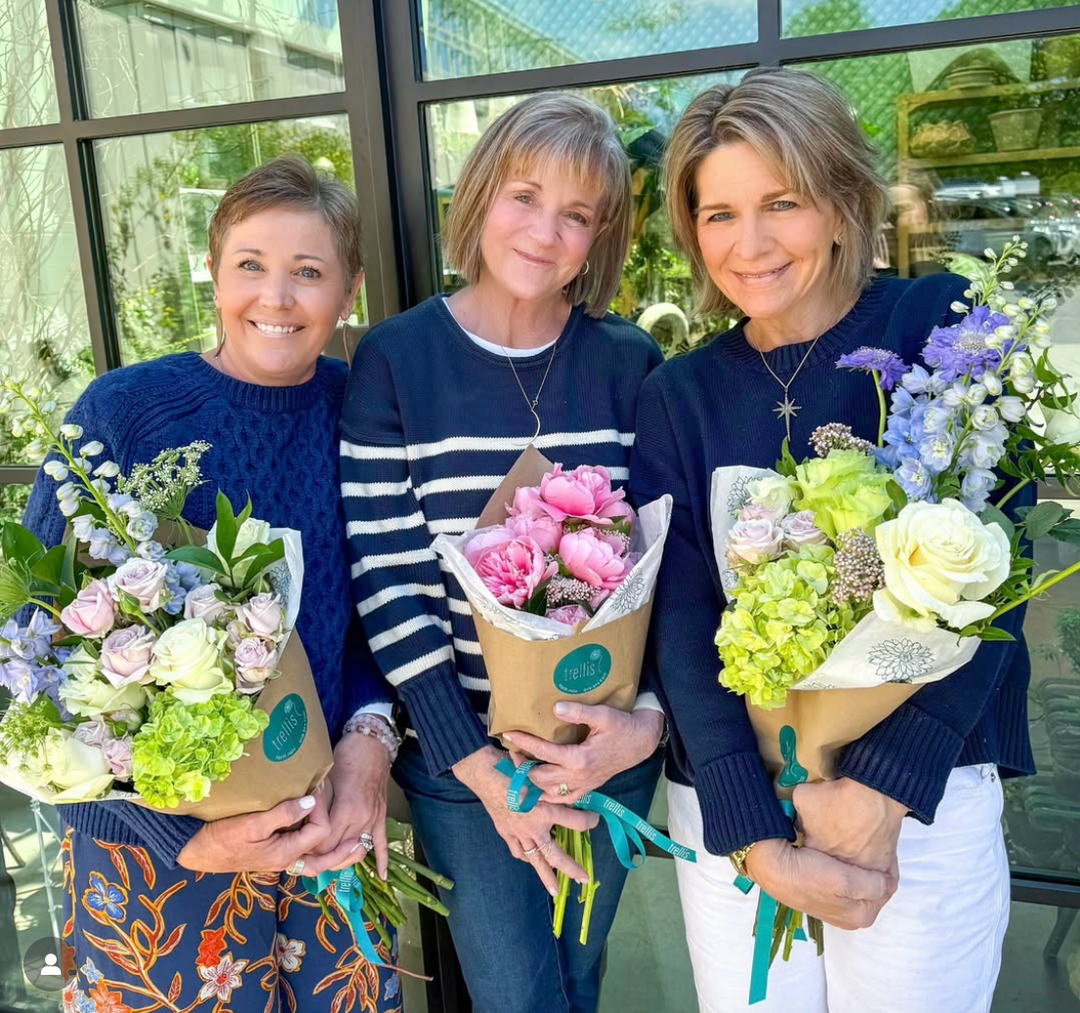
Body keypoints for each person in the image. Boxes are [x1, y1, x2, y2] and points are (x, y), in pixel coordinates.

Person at [630, 68, 1034, 1013]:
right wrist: (753, 832)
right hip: (737, 813)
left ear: (845, 199)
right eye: (719, 213)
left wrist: (882, 790)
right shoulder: (677, 396)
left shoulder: (936, 325)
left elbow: (1001, 569)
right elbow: (683, 627)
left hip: (920, 800)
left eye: (784, 202)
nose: (751, 243)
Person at [24, 155, 403, 1012]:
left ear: (349, 293)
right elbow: (35, 638)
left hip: (326, 821)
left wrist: (371, 745)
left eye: (309, 272)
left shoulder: (365, 415)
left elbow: (383, 615)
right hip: (153, 851)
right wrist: (185, 839)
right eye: (251, 266)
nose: (277, 298)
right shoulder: (122, 415)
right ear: (212, 266)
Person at [339, 92, 666, 1013]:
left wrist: (637, 722)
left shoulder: (627, 363)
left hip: (602, 753)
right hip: (462, 759)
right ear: (480, 196)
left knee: (575, 978)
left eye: (578, 214)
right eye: (525, 196)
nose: (545, 231)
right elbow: (390, 577)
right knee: (518, 995)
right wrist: (476, 764)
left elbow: (661, 572)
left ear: (600, 237)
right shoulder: (397, 360)